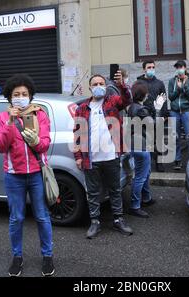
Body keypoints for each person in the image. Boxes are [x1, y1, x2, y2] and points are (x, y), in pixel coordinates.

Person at [0, 74, 54, 277]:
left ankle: (47, 256)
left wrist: (35, 140)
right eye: (16, 94)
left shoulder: (40, 115)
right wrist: (10, 122)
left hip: (37, 173)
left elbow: (44, 145)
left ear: (30, 95)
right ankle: (17, 257)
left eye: (24, 94)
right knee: (16, 218)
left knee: (42, 217)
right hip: (13, 176)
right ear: (10, 97)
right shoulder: (2, 118)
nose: (20, 97)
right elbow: (0, 147)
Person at [73, 71, 134, 239]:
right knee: (92, 192)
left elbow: (127, 99)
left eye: (101, 84)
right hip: (90, 158)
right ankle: (95, 222)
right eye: (95, 84)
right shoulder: (82, 108)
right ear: (90, 88)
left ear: (106, 87)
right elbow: (77, 133)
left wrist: (122, 84)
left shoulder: (112, 102)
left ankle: (118, 219)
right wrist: (77, 156)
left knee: (115, 190)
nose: (98, 87)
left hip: (111, 156)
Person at [127, 81, 157, 218]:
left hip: (136, 143)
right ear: (143, 95)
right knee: (140, 176)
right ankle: (135, 206)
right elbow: (153, 124)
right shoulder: (140, 109)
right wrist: (157, 108)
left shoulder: (132, 107)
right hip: (141, 144)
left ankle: (146, 198)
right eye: (146, 93)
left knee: (145, 172)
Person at [136, 60, 168, 172]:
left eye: (153, 67)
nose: (151, 69)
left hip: (157, 115)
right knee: (146, 140)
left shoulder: (159, 83)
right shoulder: (139, 83)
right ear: (144, 69)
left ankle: (160, 163)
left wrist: (164, 115)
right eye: (149, 67)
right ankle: (147, 164)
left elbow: (164, 99)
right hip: (143, 115)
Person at [168, 60, 189, 170]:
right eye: (177, 67)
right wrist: (178, 89)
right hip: (175, 111)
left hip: (187, 111)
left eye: (181, 67)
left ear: (185, 68)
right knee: (175, 137)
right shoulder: (172, 81)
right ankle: (177, 160)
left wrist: (184, 87)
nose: (179, 69)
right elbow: (171, 96)